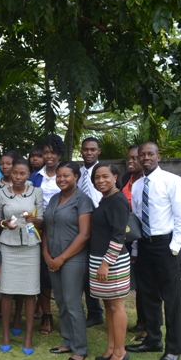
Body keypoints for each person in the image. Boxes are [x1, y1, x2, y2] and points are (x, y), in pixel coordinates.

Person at [126, 142, 181, 360]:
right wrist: (135, 249)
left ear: (158, 157)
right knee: (148, 296)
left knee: (171, 299)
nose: (146, 158)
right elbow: (135, 220)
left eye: (150, 154)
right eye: (142, 154)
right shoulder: (137, 185)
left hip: (165, 245)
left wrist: (175, 246)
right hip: (144, 245)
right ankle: (153, 340)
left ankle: (173, 349)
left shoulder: (172, 181)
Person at [42, 161, 93, 360]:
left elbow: (85, 234)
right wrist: (46, 254)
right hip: (52, 257)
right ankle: (67, 341)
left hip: (73, 258)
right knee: (61, 301)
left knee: (72, 303)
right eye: (59, 176)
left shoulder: (83, 200)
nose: (62, 179)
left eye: (66, 176)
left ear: (76, 177)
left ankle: (80, 348)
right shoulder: (55, 198)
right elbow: (45, 227)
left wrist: (62, 258)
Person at [0, 158, 43, 355]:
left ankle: (28, 336)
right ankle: (5, 334)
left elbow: (42, 221)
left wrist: (33, 220)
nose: (18, 177)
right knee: (6, 291)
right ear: (10, 173)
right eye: (15, 173)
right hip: (8, 246)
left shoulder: (36, 192)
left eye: (22, 173)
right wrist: (5, 223)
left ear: (28, 174)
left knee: (30, 292)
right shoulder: (0, 193)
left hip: (31, 247)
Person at [90, 162, 131, 360]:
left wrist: (106, 262)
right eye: (97, 177)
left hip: (112, 262)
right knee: (108, 306)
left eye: (105, 176)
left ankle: (120, 352)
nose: (101, 181)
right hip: (100, 260)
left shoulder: (117, 201)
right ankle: (111, 347)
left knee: (116, 306)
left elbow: (118, 235)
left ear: (115, 176)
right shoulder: (106, 199)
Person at [28, 134, 64, 336]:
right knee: (43, 275)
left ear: (59, 153)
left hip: (65, 230)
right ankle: (46, 316)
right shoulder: (35, 177)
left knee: (63, 272)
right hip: (40, 231)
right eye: (46, 152)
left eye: (53, 152)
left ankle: (67, 315)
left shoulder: (65, 173)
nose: (49, 156)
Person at [121, 145, 148, 340]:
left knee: (146, 282)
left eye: (135, 158)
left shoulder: (147, 182)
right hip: (126, 238)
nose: (131, 162)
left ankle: (148, 323)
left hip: (142, 238)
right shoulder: (125, 180)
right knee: (134, 281)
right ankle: (140, 321)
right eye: (128, 159)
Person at [78, 138, 104, 328]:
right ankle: (91, 312)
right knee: (83, 270)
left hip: (99, 225)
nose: (89, 153)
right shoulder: (77, 173)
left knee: (95, 270)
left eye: (92, 149)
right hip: (80, 225)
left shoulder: (103, 172)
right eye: (85, 149)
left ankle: (97, 311)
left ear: (98, 151)